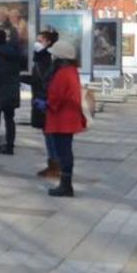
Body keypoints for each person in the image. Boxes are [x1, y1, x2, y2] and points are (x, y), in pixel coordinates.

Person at [44, 41, 86, 197]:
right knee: (65, 151)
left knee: (63, 152)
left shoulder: (62, 73)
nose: (52, 57)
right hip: (68, 117)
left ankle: (66, 185)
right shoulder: (72, 71)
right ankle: (65, 183)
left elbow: (56, 96)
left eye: (54, 55)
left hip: (61, 119)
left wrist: (46, 103)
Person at [30, 28, 61, 179]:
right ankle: (53, 164)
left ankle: (55, 166)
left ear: (48, 42)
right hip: (41, 99)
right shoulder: (40, 58)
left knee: (51, 134)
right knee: (47, 133)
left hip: (46, 101)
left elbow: (47, 81)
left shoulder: (47, 59)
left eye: (40, 40)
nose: (37, 43)